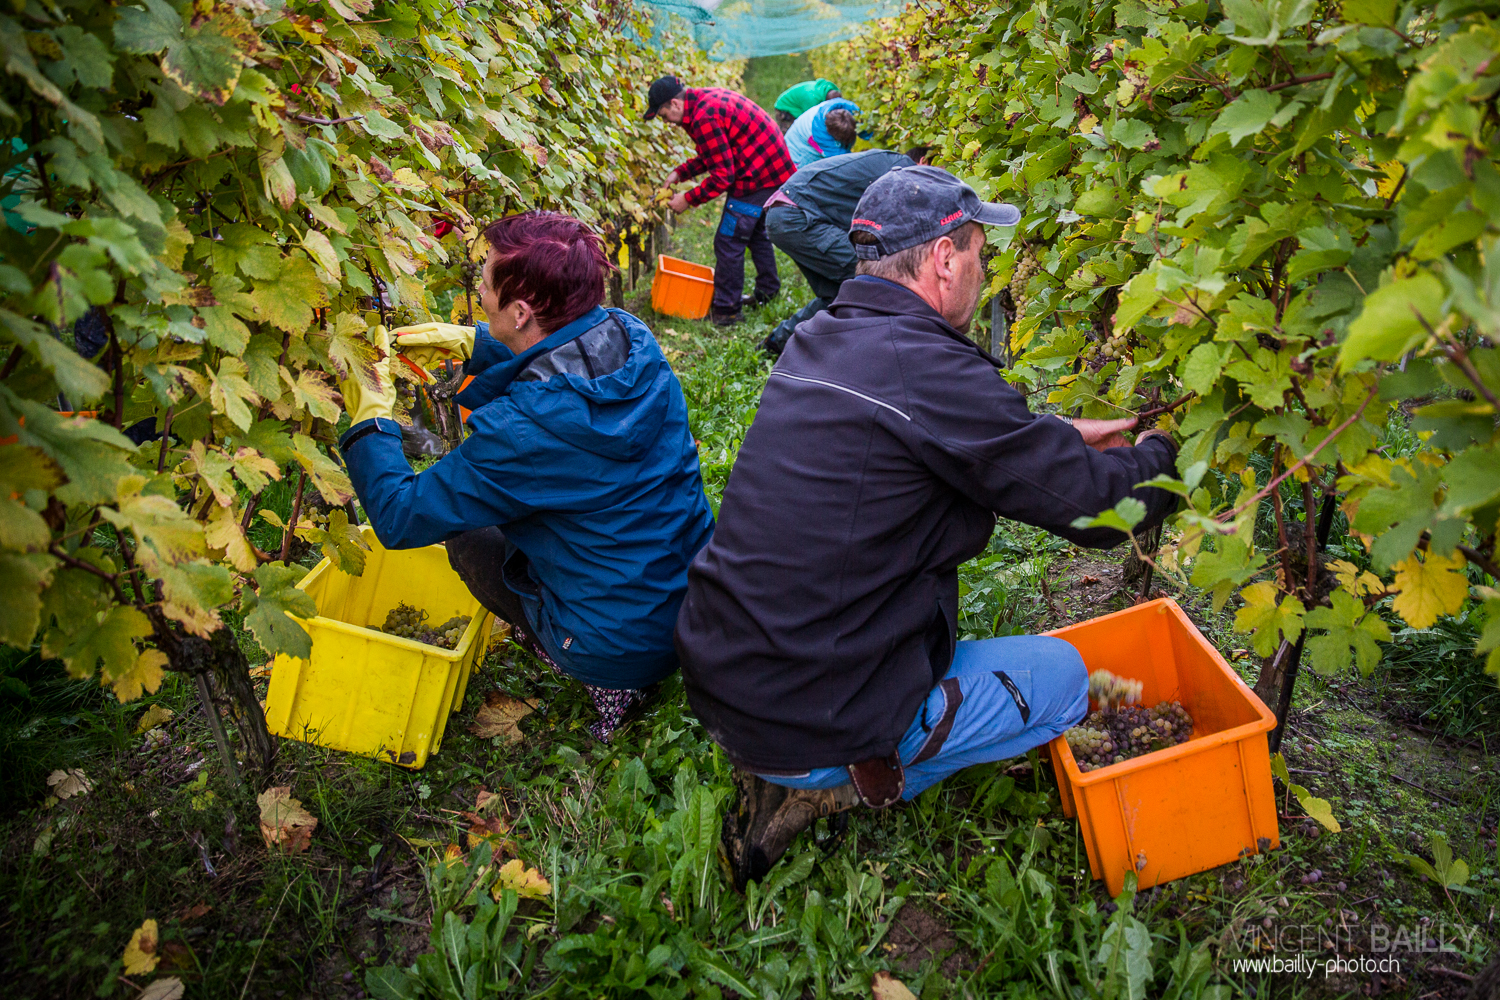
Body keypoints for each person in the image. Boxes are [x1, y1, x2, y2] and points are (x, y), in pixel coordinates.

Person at [673, 166, 1180, 889]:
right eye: (980, 252)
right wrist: (1171, 453)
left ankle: (792, 759)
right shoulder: (928, 370)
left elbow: (933, 429)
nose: (985, 270)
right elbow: (1101, 514)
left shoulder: (824, 336)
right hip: (810, 706)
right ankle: (842, 779)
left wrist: (1053, 434)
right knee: (1067, 679)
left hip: (729, 675)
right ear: (945, 258)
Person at [338, 211, 715, 742]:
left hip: (618, 646)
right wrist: (477, 342)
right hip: (694, 602)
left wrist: (370, 421)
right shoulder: (633, 339)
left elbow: (400, 517)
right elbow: (566, 346)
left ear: (519, 312)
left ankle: (603, 679)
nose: (480, 294)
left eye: (485, 284)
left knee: (467, 536)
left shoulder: (524, 429)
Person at [645, 75, 796, 326]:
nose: (666, 122)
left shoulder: (704, 117)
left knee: (729, 241)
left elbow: (723, 175)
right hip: (770, 171)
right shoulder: (703, 103)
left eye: (662, 114)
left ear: (674, 103)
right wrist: (680, 173)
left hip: (757, 177)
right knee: (756, 233)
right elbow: (715, 154)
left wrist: (688, 199)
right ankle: (767, 292)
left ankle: (727, 311)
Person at [761, 145, 931, 357]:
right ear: (923, 162)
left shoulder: (889, 165)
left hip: (787, 214)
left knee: (835, 295)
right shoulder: (903, 172)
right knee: (872, 280)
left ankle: (776, 343)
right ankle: (880, 355)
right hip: (797, 215)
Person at [782, 99, 859, 167]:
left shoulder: (848, 108)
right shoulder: (821, 136)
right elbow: (842, 161)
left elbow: (865, 124)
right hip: (798, 152)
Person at [773, 78, 842, 130]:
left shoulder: (831, 89)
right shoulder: (812, 99)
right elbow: (810, 120)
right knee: (793, 135)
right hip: (785, 108)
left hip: (800, 104)